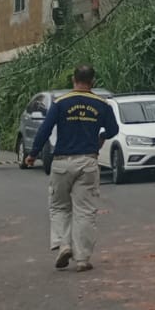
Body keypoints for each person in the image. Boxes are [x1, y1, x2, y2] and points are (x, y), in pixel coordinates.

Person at [25, 65, 117, 273]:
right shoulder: (101, 104)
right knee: (85, 210)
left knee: (59, 206)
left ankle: (64, 244)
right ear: (92, 81)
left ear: (74, 80)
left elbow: (45, 129)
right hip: (88, 161)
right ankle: (83, 259)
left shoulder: (60, 103)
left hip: (62, 161)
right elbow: (113, 129)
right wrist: (101, 137)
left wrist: (32, 154)